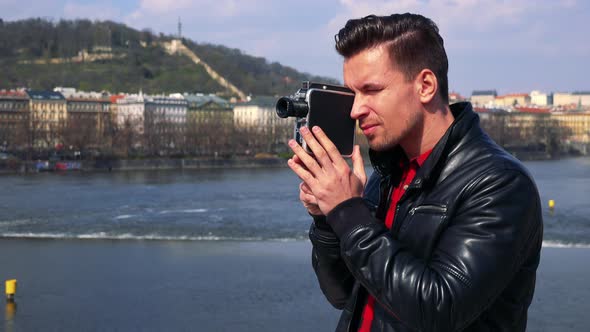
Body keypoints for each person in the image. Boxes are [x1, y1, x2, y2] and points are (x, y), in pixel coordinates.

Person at [287, 13, 543, 332]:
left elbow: (440, 309)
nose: (355, 110)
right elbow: (343, 294)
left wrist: (348, 212)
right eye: (354, 93)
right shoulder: (386, 174)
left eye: (372, 90)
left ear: (425, 86)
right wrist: (327, 219)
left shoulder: (500, 183)